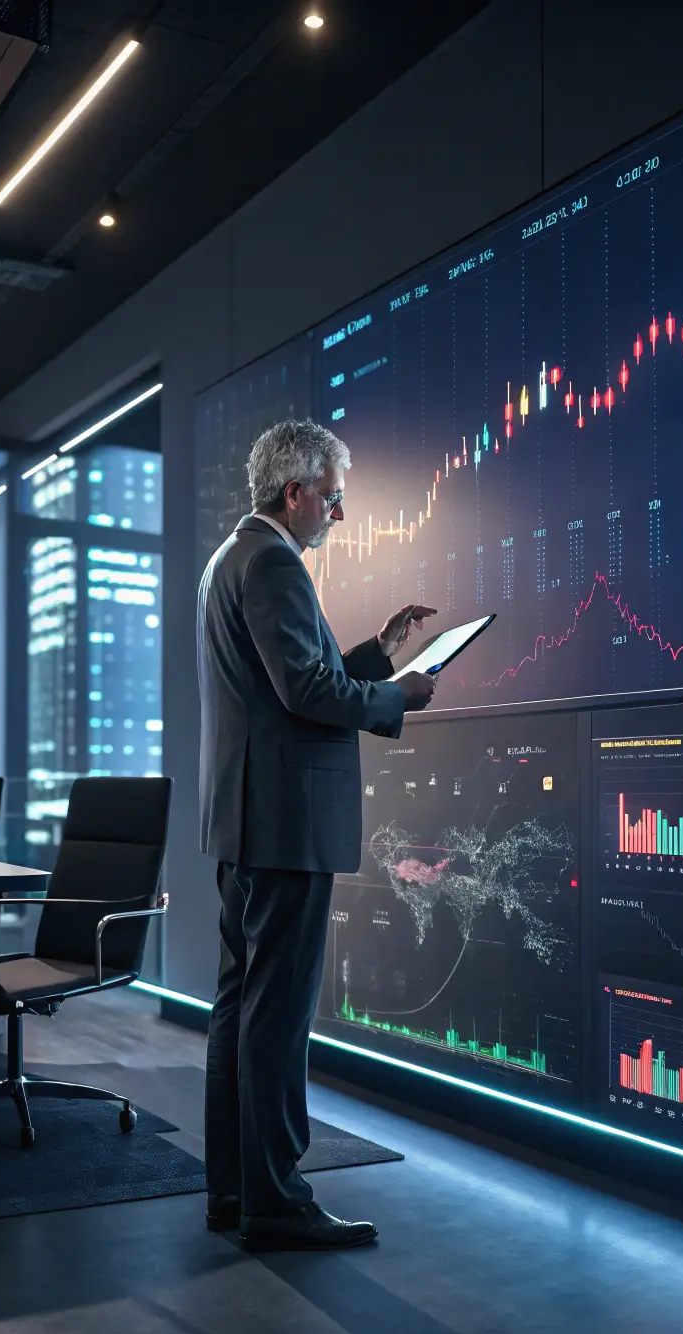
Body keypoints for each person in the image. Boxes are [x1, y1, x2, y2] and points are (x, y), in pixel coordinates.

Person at [197, 418, 437, 1251]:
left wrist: (376, 652)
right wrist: (399, 694)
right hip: (284, 825)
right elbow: (307, 690)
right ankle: (277, 1198)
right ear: (294, 491)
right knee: (276, 1014)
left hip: (247, 822)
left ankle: (235, 1190)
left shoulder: (230, 559)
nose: (337, 514)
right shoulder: (271, 560)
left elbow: (297, 679)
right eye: (332, 498)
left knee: (241, 1006)